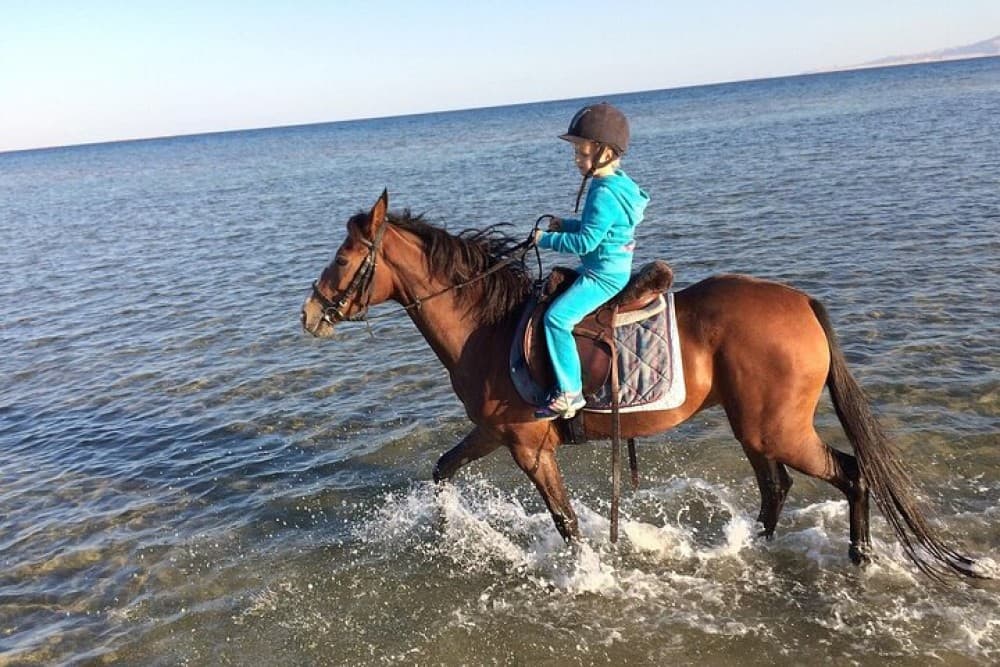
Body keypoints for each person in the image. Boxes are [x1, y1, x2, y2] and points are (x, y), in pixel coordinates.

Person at [532, 102, 650, 420]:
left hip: (602, 275)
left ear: (605, 152)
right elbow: (597, 228)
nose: (576, 160)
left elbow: (586, 242)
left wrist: (545, 240)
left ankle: (570, 394)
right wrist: (564, 225)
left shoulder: (603, 193)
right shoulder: (616, 184)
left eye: (582, 153)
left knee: (556, 319)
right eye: (576, 153)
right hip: (607, 266)